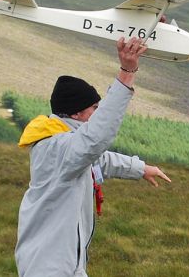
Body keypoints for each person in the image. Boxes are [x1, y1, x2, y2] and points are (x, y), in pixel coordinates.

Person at [15, 37, 171, 277]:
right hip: (49, 268)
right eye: (94, 109)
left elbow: (100, 159)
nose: (97, 114)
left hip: (67, 264)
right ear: (77, 113)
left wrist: (141, 168)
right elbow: (95, 139)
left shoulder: (64, 143)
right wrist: (127, 73)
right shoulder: (57, 148)